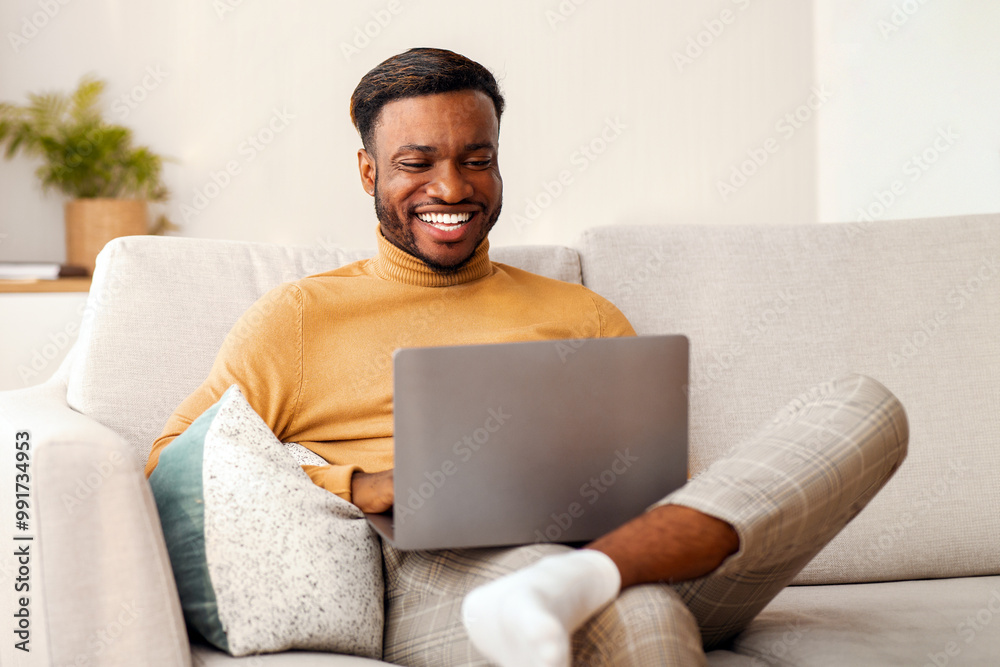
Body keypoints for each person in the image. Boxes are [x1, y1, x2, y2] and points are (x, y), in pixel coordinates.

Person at [147, 48, 909, 667]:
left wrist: (632, 514)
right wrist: (360, 483)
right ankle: (575, 587)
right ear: (368, 172)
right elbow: (171, 462)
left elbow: (676, 478)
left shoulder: (582, 313)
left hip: (646, 550)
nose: (452, 186)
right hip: (450, 577)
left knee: (865, 405)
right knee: (637, 618)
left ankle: (584, 577)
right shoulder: (299, 318)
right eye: (418, 162)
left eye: (476, 158)